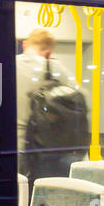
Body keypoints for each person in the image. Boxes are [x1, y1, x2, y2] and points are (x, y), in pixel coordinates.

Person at [15, 28, 85, 180]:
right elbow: (78, 96)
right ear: (48, 52)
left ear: (25, 45)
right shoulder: (53, 67)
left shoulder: (9, 65)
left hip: (11, 147)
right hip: (40, 149)